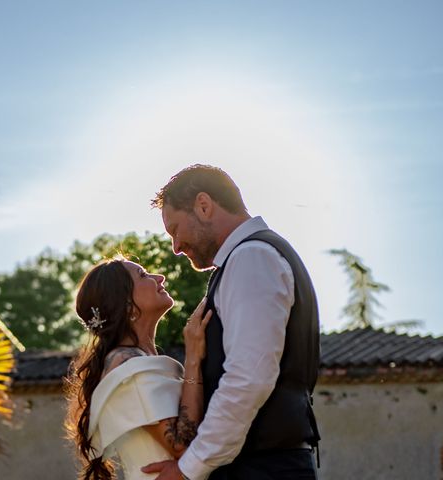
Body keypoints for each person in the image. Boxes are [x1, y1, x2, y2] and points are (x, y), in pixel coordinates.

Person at [143, 164, 321, 480]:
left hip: (261, 469)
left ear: (204, 205)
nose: (176, 247)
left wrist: (188, 468)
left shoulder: (251, 257)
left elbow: (248, 378)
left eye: (175, 230)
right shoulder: (252, 257)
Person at [65, 257, 212, 480]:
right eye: (143, 275)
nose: (159, 278)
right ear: (126, 304)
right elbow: (181, 443)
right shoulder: (128, 369)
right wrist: (193, 356)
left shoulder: (140, 361)